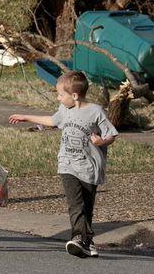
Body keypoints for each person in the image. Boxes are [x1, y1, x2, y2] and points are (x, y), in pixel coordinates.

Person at [9, 70, 118, 258]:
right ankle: (78, 238)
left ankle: (87, 240)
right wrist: (26, 117)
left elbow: (112, 134)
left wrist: (102, 142)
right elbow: (52, 121)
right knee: (75, 203)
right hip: (67, 164)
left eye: (60, 94)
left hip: (89, 167)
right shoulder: (64, 111)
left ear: (74, 96)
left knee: (86, 205)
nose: (58, 98)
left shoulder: (95, 112)